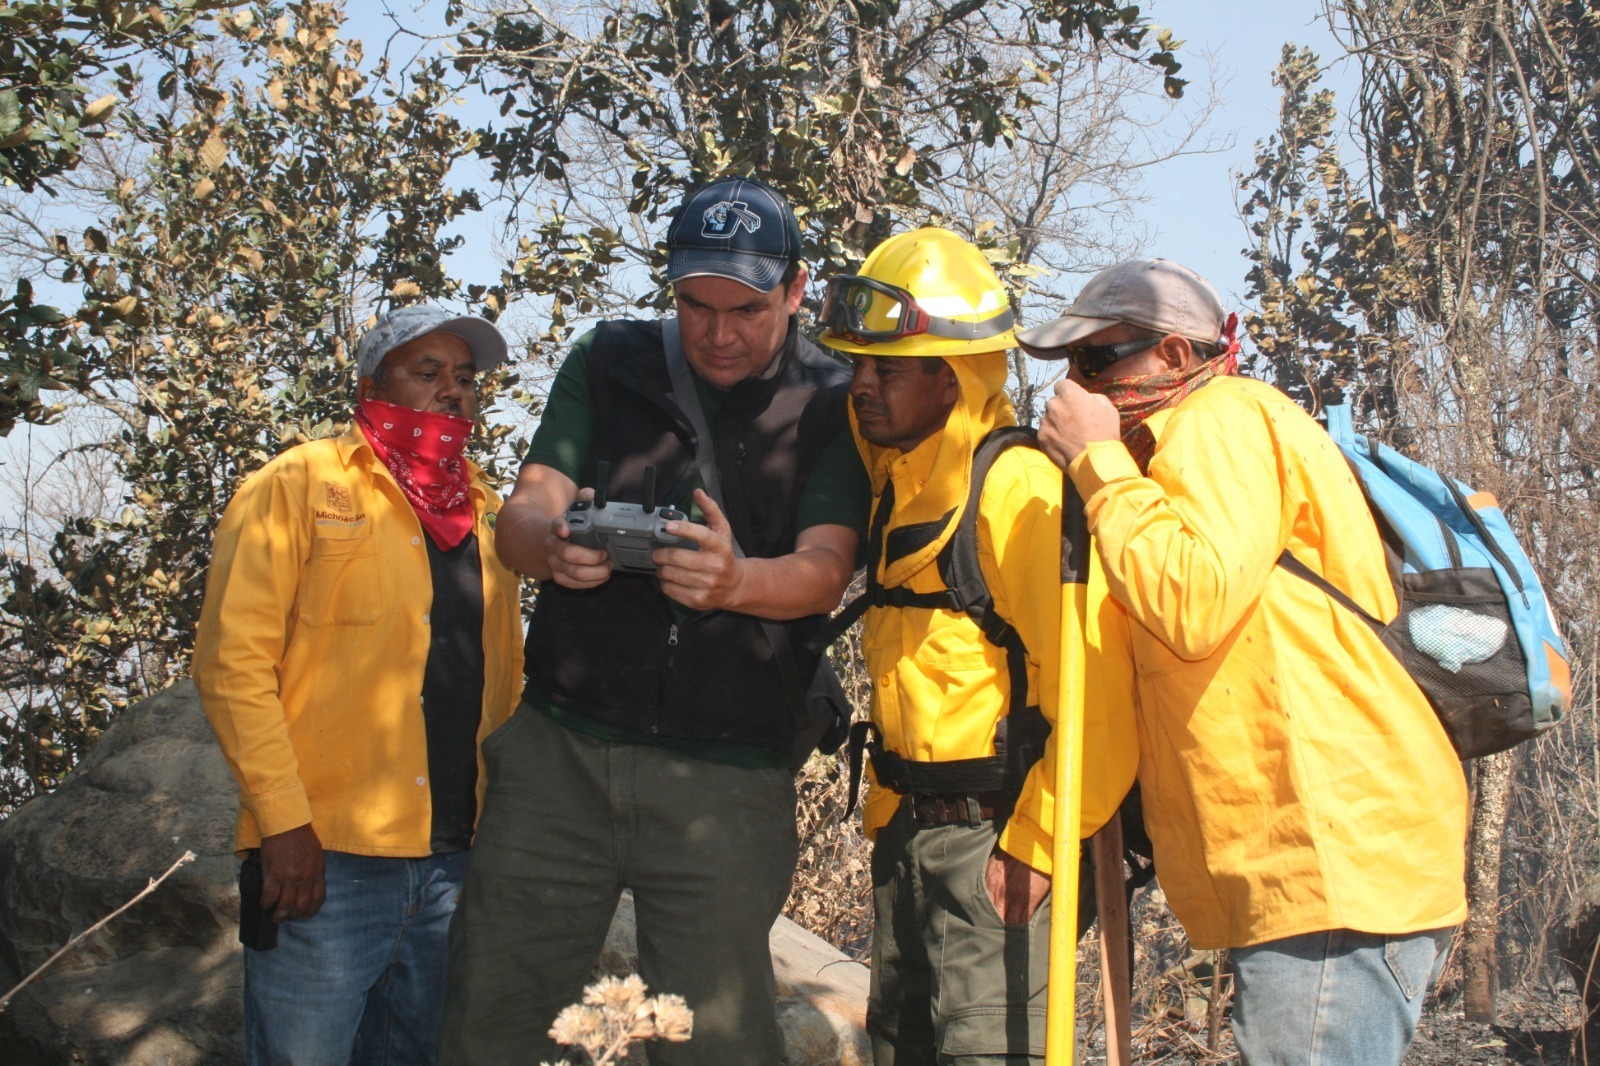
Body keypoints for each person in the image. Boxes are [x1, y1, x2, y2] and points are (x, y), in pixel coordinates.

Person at [439, 176, 868, 1066]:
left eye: (746, 309)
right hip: (560, 752)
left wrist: (737, 580)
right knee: (499, 1016)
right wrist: (553, 546)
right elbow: (520, 515)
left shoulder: (835, 397)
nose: (717, 332)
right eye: (693, 304)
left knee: (712, 1041)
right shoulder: (608, 359)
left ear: (795, 291)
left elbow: (826, 571)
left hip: (730, 768)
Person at [1023, 258, 1469, 1065]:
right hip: (1312, 872)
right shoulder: (1164, 460)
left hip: (1334, 863)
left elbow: (1192, 602)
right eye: (1070, 368)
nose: (1079, 388)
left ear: (1173, 357)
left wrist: (1095, 463)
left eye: (1098, 361)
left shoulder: (1224, 418)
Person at [817, 227, 1138, 1064]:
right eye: (857, 364)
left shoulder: (1018, 491)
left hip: (998, 843)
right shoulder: (901, 479)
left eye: (886, 368)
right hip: (908, 839)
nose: (861, 385)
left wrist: (1038, 843)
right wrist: (887, 820)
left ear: (952, 375)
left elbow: (1097, 693)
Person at [192, 304, 525, 1065]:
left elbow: (502, 683)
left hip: (452, 862)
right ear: (372, 384)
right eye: (429, 372)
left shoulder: (483, 512)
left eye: (467, 379)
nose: (453, 392)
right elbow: (232, 664)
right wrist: (283, 828)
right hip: (325, 861)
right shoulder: (299, 484)